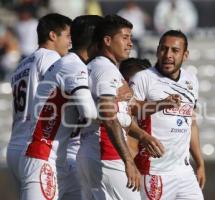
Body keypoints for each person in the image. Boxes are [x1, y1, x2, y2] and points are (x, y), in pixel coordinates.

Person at [77, 14, 166, 200]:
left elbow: (125, 113)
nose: (130, 43)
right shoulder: (105, 70)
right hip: (106, 154)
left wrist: (143, 135)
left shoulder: (98, 67)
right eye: (125, 37)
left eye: (131, 38)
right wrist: (128, 161)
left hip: (90, 152)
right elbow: (109, 117)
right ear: (107, 41)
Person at [130, 30, 205, 199]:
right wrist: (161, 104)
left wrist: (200, 163)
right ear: (157, 51)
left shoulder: (191, 80)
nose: (168, 55)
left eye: (175, 50)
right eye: (164, 49)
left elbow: (191, 123)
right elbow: (130, 112)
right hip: (155, 171)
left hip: (184, 171)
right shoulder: (143, 78)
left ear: (185, 55)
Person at [6, 13, 72, 194]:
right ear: (52, 35)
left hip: (14, 144)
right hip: (33, 145)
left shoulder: (22, 64)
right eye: (67, 36)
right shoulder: (50, 57)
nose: (70, 42)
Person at [61, 15, 104, 200]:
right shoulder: (74, 66)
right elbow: (89, 113)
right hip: (54, 155)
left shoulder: (74, 63)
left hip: (64, 154)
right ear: (97, 41)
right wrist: (121, 111)